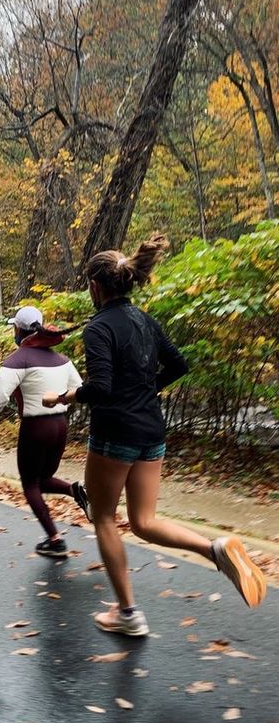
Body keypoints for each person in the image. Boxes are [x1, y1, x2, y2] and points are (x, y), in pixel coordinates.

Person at [43, 236, 266, 636]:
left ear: (96, 286)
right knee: (143, 521)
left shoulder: (98, 328)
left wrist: (66, 395)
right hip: (151, 430)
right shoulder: (146, 321)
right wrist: (146, 390)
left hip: (115, 433)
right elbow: (179, 365)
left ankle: (128, 614)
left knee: (105, 517)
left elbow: (102, 388)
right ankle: (214, 549)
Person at [0, 306, 89, 558]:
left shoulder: (18, 360)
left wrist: (11, 400)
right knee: (43, 479)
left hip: (35, 427)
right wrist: (58, 399)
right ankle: (75, 490)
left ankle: (55, 540)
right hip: (60, 426)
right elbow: (78, 389)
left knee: (30, 484)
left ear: (19, 329)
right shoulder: (62, 359)